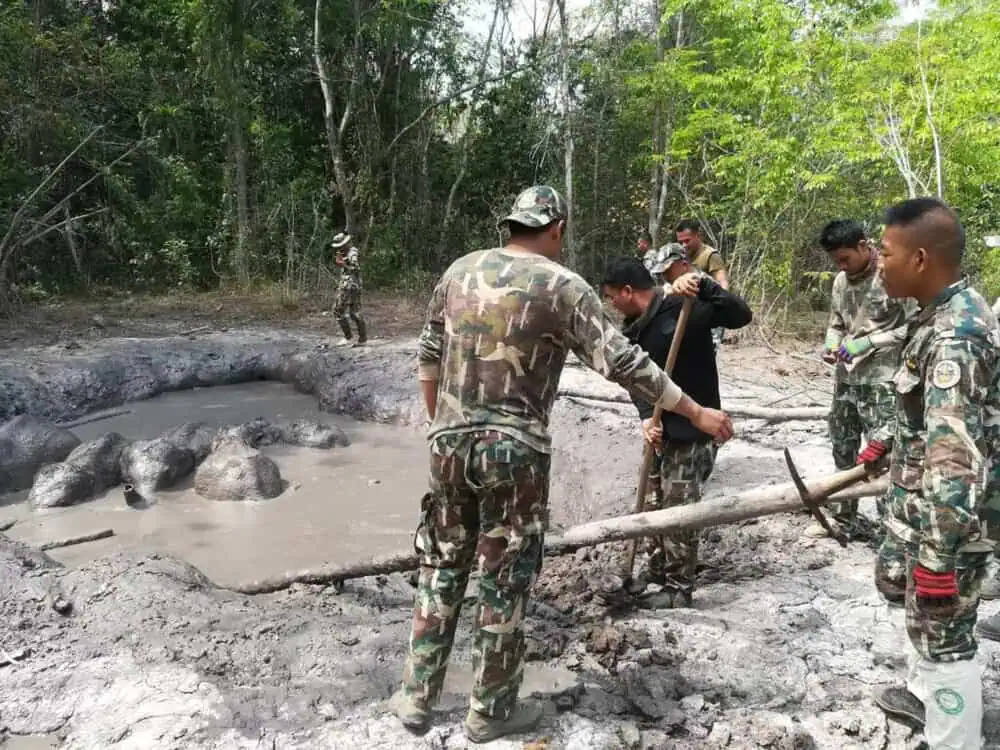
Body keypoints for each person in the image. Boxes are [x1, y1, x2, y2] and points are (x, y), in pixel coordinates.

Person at [390, 186, 735, 743]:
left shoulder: (459, 271)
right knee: (503, 577)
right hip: (515, 450)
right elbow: (623, 362)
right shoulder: (562, 285)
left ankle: (414, 697)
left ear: (510, 226)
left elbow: (429, 356)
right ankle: (491, 712)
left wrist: (441, 426)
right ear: (556, 228)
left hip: (448, 446)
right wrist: (693, 410)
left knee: (441, 566)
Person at [872, 197, 998, 749]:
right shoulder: (936, 316)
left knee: (945, 638)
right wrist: (885, 445)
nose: (879, 261)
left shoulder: (955, 337)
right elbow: (927, 426)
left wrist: (937, 559)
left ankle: (954, 739)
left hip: (950, 526)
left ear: (920, 258)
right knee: (925, 625)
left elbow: (955, 456)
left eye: (886, 251)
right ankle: (930, 706)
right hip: (925, 514)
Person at [602, 251, 752, 606]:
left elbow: (740, 315)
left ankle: (678, 588)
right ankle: (659, 568)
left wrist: (705, 286)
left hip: (696, 430)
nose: (611, 305)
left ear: (626, 291)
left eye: (611, 297)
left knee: (679, 506)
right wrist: (644, 418)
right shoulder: (634, 328)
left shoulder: (683, 308)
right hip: (661, 429)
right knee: (656, 503)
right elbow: (639, 382)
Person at [813, 219, 914, 543]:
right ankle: (844, 517)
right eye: (836, 261)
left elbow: (912, 328)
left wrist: (870, 342)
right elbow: (837, 322)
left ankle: (891, 530)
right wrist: (831, 343)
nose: (841, 266)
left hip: (882, 380)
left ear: (863, 245)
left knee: (881, 454)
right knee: (843, 448)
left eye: (845, 258)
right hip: (847, 378)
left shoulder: (892, 275)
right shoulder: (842, 281)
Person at [675, 219, 728, 351]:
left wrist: (719, 310)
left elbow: (723, 284)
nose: (684, 245)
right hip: (688, 313)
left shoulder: (710, 255)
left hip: (708, 314)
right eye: (680, 241)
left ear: (698, 235)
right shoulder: (681, 256)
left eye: (687, 240)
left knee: (707, 354)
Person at [331, 231, 367, 346]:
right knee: (354, 313)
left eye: (341, 246)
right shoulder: (347, 252)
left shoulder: (352, 252)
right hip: (353, 285)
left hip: (349, 286)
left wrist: (343, 264)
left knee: (337, 310)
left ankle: (349, 337)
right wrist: (343, 262)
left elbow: (355, 267)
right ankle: (362, 338)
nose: (339, 248)